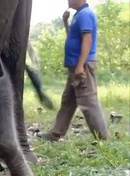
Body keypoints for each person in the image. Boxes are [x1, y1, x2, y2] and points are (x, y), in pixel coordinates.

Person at [39, 0, 108, 141]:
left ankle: (102, 139)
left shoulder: (85, 14)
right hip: (75, 66)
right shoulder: (78, 15)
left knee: (88, 101)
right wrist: (65, 22)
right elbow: (73, 37)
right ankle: (56, 133)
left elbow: (87, 40)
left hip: (82, 65)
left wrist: (80, 66)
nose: (68, 0)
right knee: (68, 100)